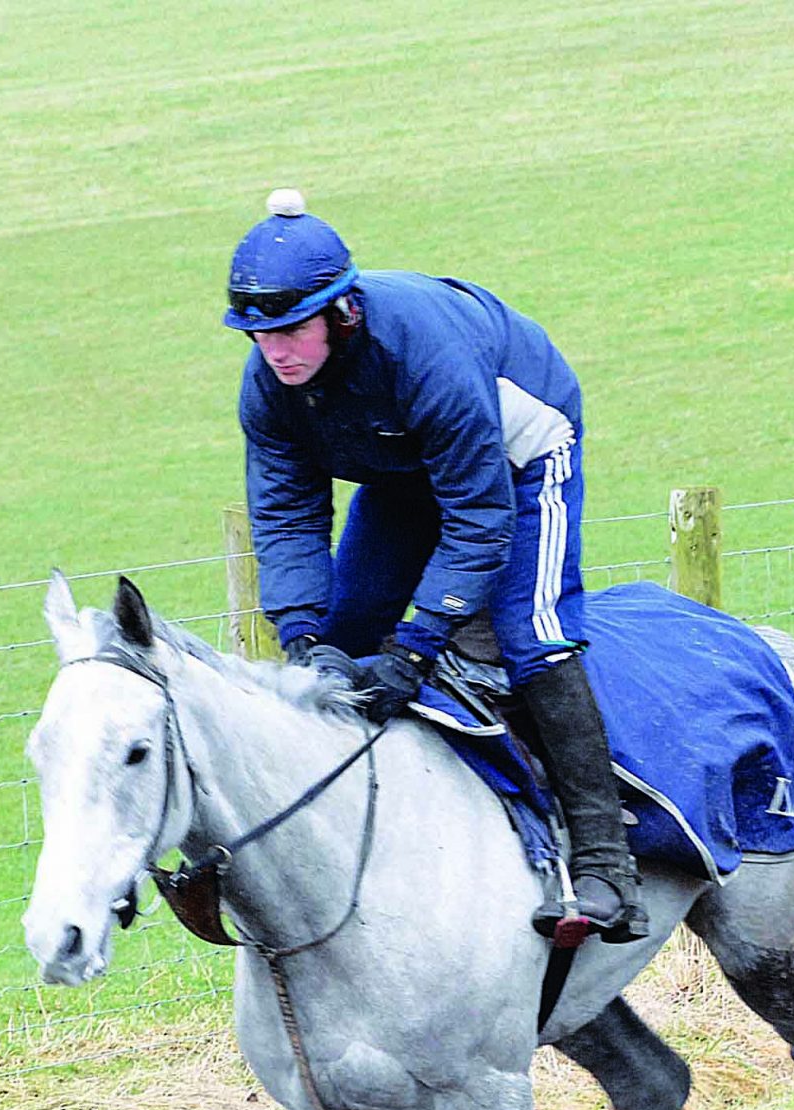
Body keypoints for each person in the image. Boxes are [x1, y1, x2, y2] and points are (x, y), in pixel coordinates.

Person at [225, 188, 646, 942]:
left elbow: (481, 517)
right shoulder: (268, 389)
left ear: (342, 311)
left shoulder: (424, 353)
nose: (276, 350)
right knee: (344, 634)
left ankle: (607, 862)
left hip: (519, 453)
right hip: (409, 466)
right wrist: (302, 638)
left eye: (291, 329)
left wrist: (419, 647)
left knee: (531, 635)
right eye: (258, 335)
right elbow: (285, 517)